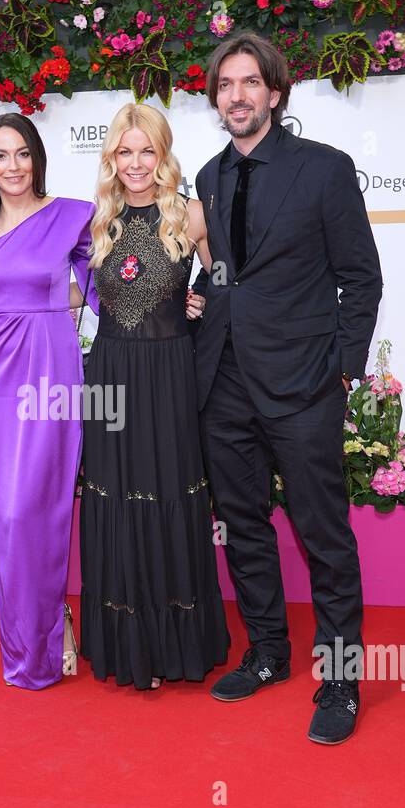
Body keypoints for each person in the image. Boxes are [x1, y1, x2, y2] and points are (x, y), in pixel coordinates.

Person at [192, 32, 383, 743]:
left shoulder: (324, 169)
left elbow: (361, 277)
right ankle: (269, 651)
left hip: (303, 384)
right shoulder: (208, 177)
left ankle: (341, 680)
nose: (236, 95)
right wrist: (201, 298)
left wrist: (342, 367)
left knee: (322, 534)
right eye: (225, 85)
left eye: (249, 82)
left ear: (274, 92)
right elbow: (226, 271)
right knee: (243, 526)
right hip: (225, 381)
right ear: (215, 100)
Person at [79, 102, 230, 691]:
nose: (137, 163)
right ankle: (126, 642)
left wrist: (203, 299)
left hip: (170, 374)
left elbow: (226, 279)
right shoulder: (95, 219)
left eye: (148, 151)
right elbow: (68, 291)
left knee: (171, 490)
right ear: (111, 158)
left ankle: (176, 642)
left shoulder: (191, 214)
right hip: (111, 373)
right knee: (115, 495)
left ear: (164, 155)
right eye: (125, 151)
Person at [0, 114, 96, 690]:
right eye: (0, 156)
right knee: (6, 513)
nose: (12, 166)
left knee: (41, 505)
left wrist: (50, 302)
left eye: (21, 153)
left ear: (37, 157)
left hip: (50, 369)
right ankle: (30, 637)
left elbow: (101, 288)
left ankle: (48, 630)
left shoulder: (72, 216)